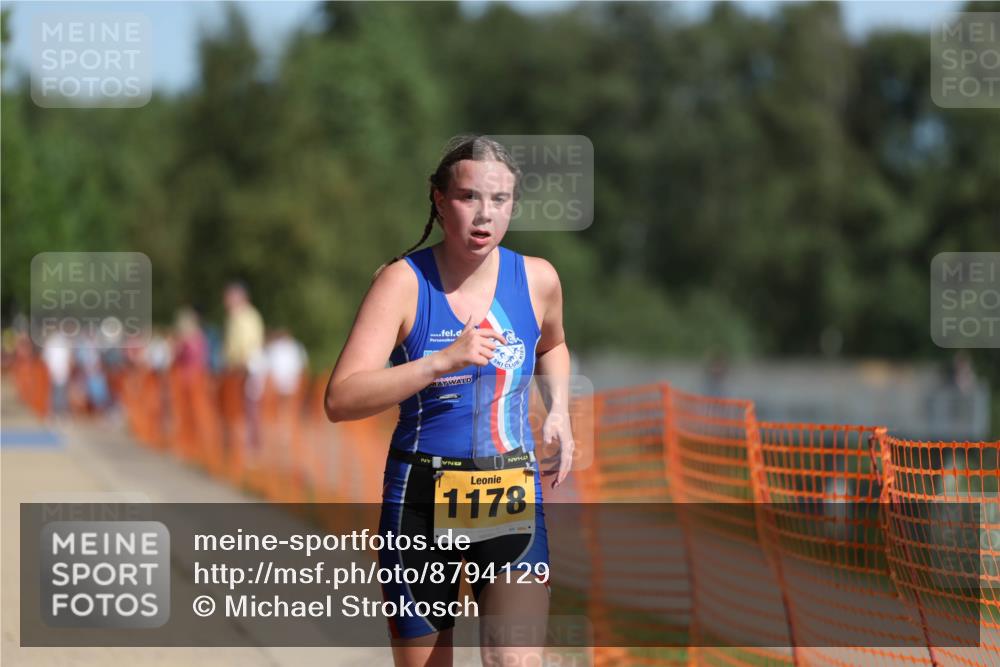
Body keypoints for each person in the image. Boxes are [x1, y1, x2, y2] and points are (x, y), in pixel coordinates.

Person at [324, 135, 575, 667]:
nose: (485, 215)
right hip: (420, 499)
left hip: (508, 492)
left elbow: (552, 344)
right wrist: (441, 361)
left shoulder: (537, 279)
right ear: (439, 201)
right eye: (468, 198)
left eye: (500, 200)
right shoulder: (402, 283)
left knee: (515, 659)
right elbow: (341, 398)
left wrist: (559, 413)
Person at [222, 281, 266, 454]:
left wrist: (240, 364)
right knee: (240, 408)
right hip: (239, 369)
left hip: (248, 369)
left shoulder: (247, 316)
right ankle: (240, 445)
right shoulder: (235, 316)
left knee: (250, 409)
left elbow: (249, 346)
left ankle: (252, 447)